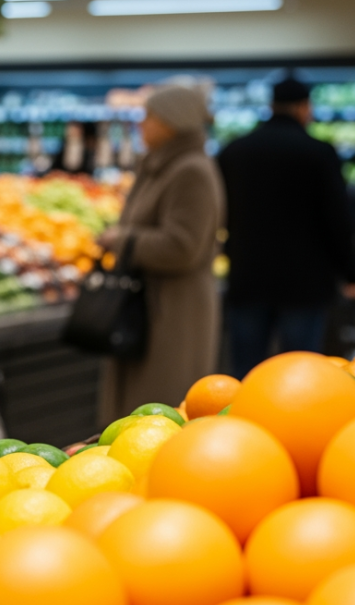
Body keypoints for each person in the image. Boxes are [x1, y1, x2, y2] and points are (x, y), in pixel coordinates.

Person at [217, 78, 355, 377]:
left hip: (248, 275)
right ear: (303, 107)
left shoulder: (235, 151)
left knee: (246, 370)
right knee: (300, 371)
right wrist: (352, 272)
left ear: (271, 106)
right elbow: (337, 218)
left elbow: (220, 213)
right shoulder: (319, 152)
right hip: (305, 281)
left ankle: (241, 422)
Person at [99, 85, 223, 423]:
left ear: (172, 121)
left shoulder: (191, 170)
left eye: (149, 116)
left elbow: (183, 247)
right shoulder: (161, 165)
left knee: (160, 417)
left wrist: (121, 240)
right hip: (148, 303)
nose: (141, 124)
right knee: (136, 420)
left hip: (173, 312)